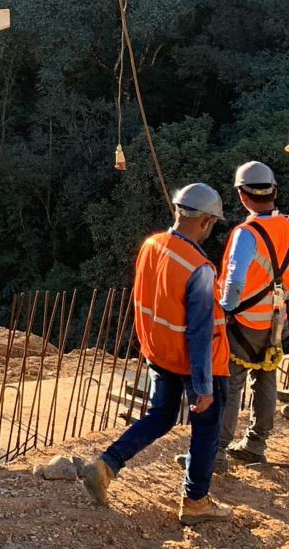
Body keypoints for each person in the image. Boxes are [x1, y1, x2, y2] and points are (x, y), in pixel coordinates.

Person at [79, 183, 232, 525]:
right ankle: (196, 503)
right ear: (206, 221)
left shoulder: (151, 245)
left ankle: (106, 465)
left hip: (158, 351)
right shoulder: (200, 268)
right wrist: (204, 386)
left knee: (160, 415)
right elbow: (201, 331)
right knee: (206, 429)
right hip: (193, 363)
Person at [217, 160, 288, 466]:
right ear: (274, 191)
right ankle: (256, 444)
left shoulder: (247, 234)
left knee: (231, 383)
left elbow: (234, 284)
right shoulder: (287, 225)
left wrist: (224, 310)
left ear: (242, 196)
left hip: (246, 323)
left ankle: (217, 450)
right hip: (278, 320)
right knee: (267, 375)